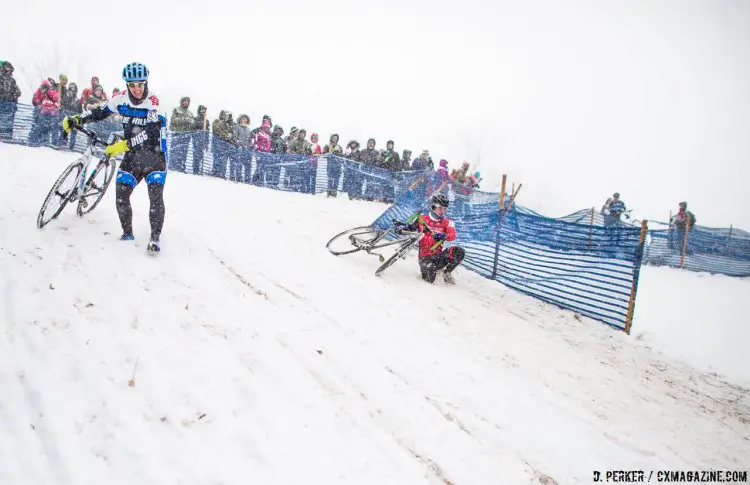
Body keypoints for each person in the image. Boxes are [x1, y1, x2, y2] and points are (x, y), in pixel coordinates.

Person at [62, 62, 167, 254]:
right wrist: (77, 119)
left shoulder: (153, 102)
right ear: (127, 84)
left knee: (155, 196)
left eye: (140, 84)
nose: (136, 89)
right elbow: (99, 112)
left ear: (145, 83)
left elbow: (152, 133)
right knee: (121, 194)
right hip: (133, 155)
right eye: (132, 85)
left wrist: (125, 145)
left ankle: (155, 238)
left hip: (155, 155)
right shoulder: (120, 99)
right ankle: (127, 235)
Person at [397, 193, 466, 284]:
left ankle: (447, 272)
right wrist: (400, 228)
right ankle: (431, 271)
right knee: (430, 279)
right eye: (440, 208)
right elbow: (409, 228)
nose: (443, 211)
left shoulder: (447, 222)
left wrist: (443, 236)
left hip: (438, 256)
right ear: (433, 207)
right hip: (424, 258)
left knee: (459, 251)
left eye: (445, 209)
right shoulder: (422, 219)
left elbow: (452, 235)